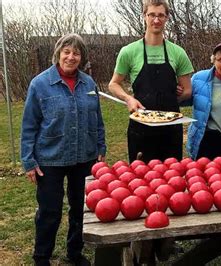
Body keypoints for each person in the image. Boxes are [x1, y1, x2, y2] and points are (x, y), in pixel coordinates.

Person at [20, 33, 106, 266]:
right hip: (50, 158)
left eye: (76, 53)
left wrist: (101, 146)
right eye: (66, 52)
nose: (71, 57)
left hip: (84, 156)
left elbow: (97, 119)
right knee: (50, 212)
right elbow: (29, 124)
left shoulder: (89, 84)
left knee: (81, 209)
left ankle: (74, 252)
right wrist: (29, 160)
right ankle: (42, 257)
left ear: (82, 57)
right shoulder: (39, 84)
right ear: (57, 54)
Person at [108, 0, 193, 164]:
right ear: (144, 16)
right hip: (141, 128)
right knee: (141, 181)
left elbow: (188, 89)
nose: (156, 20)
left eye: (161, 15)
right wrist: (129, 98)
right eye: (152, 15)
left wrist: (173, 97)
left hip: (171, 128)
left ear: (167, 18)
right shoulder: (129, 51)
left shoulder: (178, 52)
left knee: (172, 179)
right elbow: (113, 84)